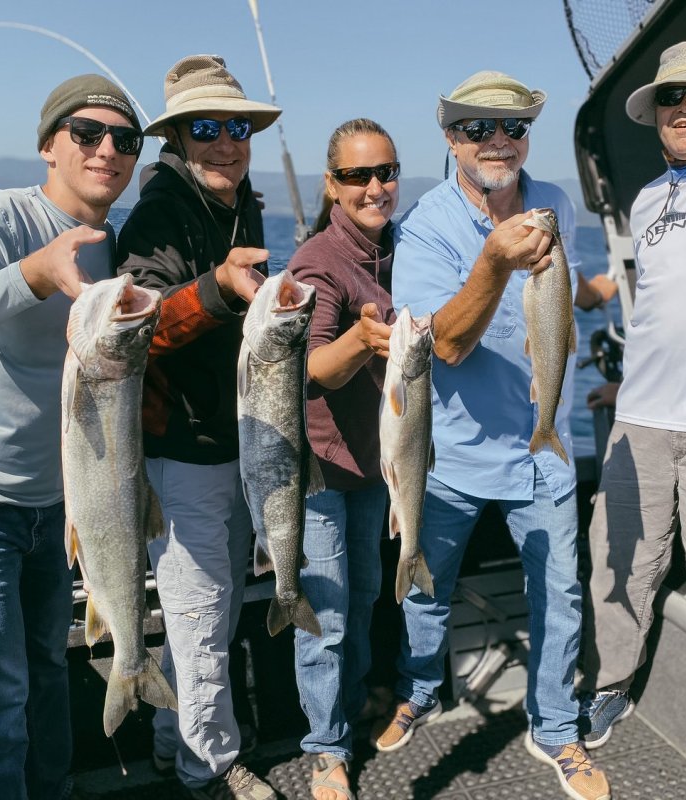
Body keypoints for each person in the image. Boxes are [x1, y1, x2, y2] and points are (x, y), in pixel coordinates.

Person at [374, 70, 611, 800]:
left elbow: (558, 299)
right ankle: (418, 689)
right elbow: (440, 346)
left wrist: (595, 290)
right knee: (424, 590)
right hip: (446, 453)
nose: (496, 140)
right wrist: (493, 262)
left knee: (561, 596)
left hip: (542, 448)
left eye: (511, 127)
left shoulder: (557, 203)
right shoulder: (424, 226)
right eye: (477, 128)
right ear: (450, 139)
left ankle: (556, 731)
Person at [0, 75, 143, 800]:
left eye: (124, 140)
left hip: (64, 510)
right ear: (48, 145)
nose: (107, 150)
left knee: (47, 674)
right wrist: (32, 274)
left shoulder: (116, 247)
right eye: (87, 133)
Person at [578, 41, 686, 800]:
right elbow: (660, 311)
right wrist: (623, 392)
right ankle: (611, 684)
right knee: (619, 570)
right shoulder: (648, 199)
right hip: (639, 423)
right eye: (673, 94)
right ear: (656, 113)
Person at [116, 54, 278, 800]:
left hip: (232, 448)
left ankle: (165, 743)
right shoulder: (157, 215)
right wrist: (216, 288)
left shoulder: (243, 205)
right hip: (183, 457)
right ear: (176, 140)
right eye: (204, 128)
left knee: (199, 620)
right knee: (204, 620)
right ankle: (206, 771)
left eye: (236, 126)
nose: (226, 142)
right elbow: (137, 326)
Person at [287, 118, 398, 800]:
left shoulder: (397, 247)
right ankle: (326, 749)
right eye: (357, 175)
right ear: (332, 184)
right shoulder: (317, 262)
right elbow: (310, 369)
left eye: (384, 172)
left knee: (360, 601)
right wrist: (361, 339)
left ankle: (352, 706)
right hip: (323, 470)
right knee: (325, 616)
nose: (374, 187)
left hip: (372, 465)